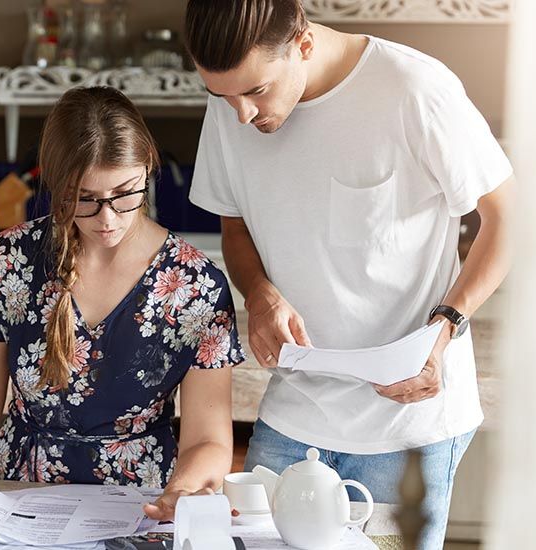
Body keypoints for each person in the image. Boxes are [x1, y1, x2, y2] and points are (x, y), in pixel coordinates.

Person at [182, 1, 513, 548]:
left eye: (256, 92)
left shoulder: (413, 88)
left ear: (303, 44)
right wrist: (260, 293)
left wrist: (446, 326)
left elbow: (508, 221)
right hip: (292, 414)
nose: (240, 115)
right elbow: (234, 225)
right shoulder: (231, 103)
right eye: (222, 96)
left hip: (408, 422)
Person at [0, 86, 245, 520]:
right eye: (85, 199)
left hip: (141, 504)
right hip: (14, 493)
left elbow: (208, 439)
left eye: (126, 193)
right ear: (54, 183)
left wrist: (185, 490)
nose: (108, 219)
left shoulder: (195, 284)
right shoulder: (9, 260)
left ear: (148, 166)